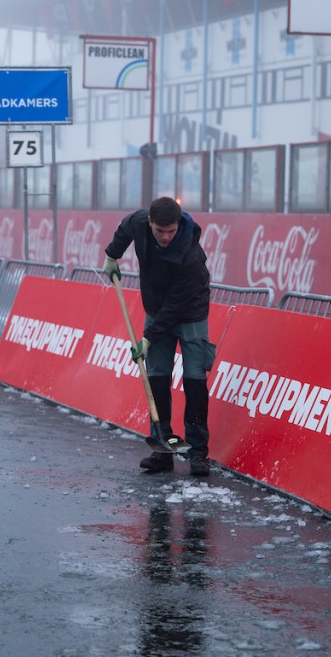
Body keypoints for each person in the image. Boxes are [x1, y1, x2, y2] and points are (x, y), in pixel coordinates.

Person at [103, 196, 213, 477]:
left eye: (171, 231)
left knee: (195, 380)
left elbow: (176, 304)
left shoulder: (190, 254)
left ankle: (198, 452)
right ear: (150, 222)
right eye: (159, 231)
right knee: (157, 377)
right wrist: (111, 255)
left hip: (190, 312)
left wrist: (149, 337)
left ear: (178, 225)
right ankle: (163, 448)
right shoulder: (139, 222)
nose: (165, 237)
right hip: (155, 307)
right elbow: (125, 228)